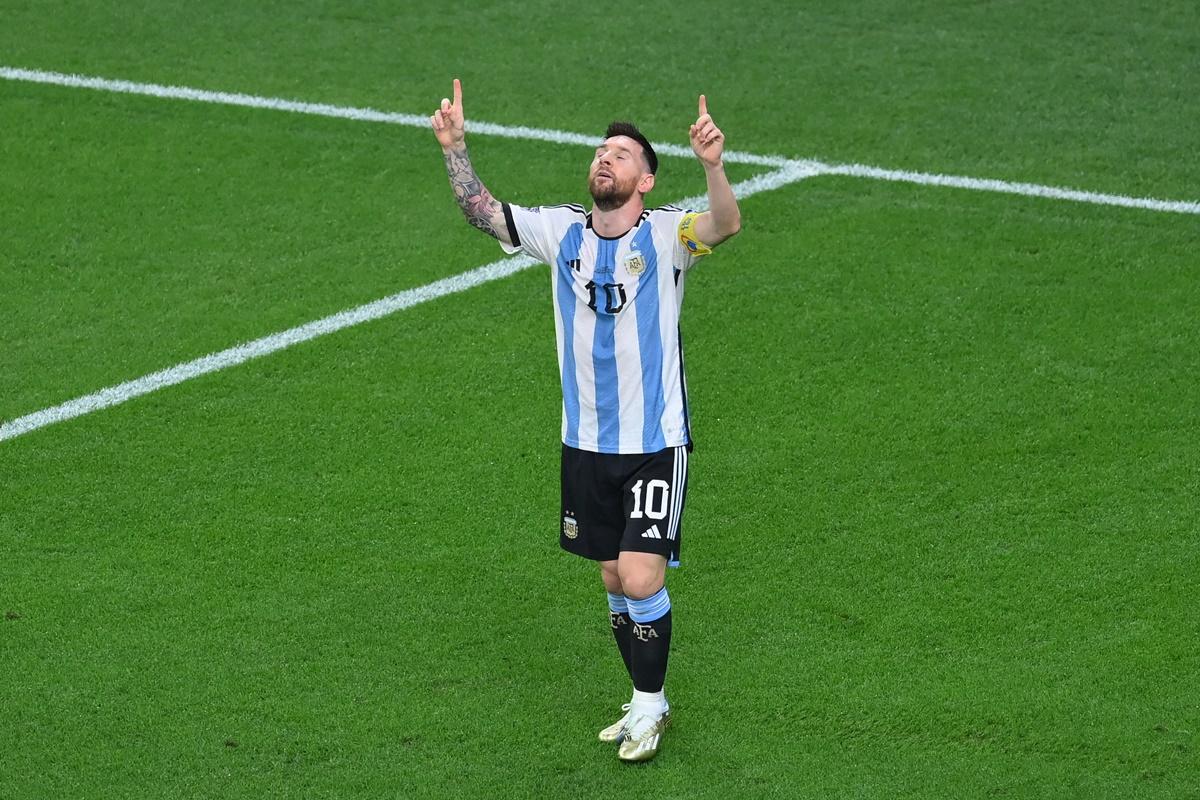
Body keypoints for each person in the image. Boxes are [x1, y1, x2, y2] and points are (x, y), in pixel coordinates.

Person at [430, 78, 741, 763]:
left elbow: (725, 224)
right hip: (585, 442)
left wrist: (714, 166)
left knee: (640, 576)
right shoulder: (562, 229)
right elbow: (484, 212)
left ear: (647, 179)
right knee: (610, 579)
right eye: (602, 151)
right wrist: (456, 149)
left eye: (623, 154)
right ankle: (640, 700)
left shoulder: (669, 233)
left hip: (656, 441)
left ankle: (653, 708)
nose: (607, 158)